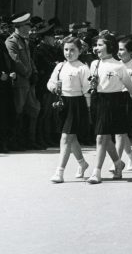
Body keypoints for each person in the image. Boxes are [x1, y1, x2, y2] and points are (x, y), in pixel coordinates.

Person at [87, 31, 132, 184]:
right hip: (99, 100)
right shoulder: (95, 64)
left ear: (109, 46)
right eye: (96, 45)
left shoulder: (118, 66)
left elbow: (130, 87)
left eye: (100, 45)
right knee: (104, 137)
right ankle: (118, 163)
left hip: (115, 101)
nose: (96, 48)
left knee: (102, 137)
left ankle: (97, 172)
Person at [48, 36, 91, 183]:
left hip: (76, 104)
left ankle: (59, 172)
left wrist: (89, 108)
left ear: (79, 51)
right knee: (71, 138)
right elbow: (50, 82)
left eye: (72, 50)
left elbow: (87, 90)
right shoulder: (60, 66)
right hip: (62, 103)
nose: (68, 53)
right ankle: (82, 163)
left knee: (66, 137)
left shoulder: (83, 68)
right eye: (66, 49)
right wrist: (54, 88)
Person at [5, 13, 41, 150]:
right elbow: (15, 60)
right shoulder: (11, 41)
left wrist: (34, 72)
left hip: (27, 82)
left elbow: (29, 59)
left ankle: (29, 140)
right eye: (27, 25)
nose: (29, 28)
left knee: (34, 110)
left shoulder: (24, 40)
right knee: (18, 112)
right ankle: (15, 141)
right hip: (19, 82)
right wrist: (28, 72)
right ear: (19, 26)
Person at [115, 37, 132, 171]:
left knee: (120, 133)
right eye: (118, 49)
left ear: (130, 52)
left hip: (128, 100)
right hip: (115, 99)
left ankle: (116, 161)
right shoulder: (115, 65)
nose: (118, 52)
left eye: (122, 49)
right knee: (121, 133)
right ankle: (131, 155)